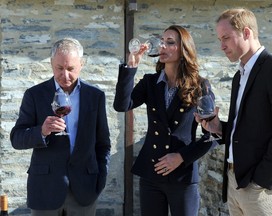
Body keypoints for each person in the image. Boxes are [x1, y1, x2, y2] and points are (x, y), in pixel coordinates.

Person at [114, 25, 216, 216]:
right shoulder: (150, 82)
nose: (162, 46)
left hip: (183, 176)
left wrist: (181, 157)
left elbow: (212, 135)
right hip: (152, 173)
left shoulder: (200, 86)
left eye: (170, 42)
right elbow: (121, 105)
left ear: (184, 49)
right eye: (162, 41)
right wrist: (131, 67)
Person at [196, 8, 272, 215]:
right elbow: (247, 130)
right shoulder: (239, 76)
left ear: (247, 33)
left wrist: (262, 181)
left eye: (226, 38)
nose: (221, 46)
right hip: (234, 185)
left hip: (262, 191)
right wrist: (219, 128)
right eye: (220, 39)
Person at [10, 38, 111, 216]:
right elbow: (17, 138)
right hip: (45, 189)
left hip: (85, 190)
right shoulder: (34, 95)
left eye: (71, 69)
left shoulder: (95, 96)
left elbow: (103, 144)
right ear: (51, 64)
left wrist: (100, 179)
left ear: (81, 64)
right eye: (59, 68)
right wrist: (41, 132)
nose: (65, 75)